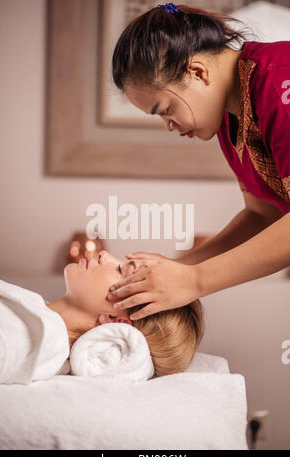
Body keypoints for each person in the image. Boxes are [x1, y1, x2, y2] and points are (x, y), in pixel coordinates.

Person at [107, 3, 290, 320]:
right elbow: (264, 215)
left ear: (197, 72)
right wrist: (178, 268)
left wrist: (194, 280)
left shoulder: (279, 80)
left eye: (164, 110)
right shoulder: (230, 115)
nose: (169, 125)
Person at [0, 250, 204, 383]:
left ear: (115, 320)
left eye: (121, 269)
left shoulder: (39, 339)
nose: (104, 255)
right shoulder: (37, 314)